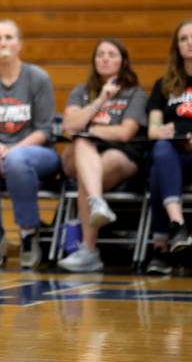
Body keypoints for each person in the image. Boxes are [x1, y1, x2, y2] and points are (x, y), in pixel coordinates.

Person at [0, 19, 61, 270]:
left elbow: (44, 130)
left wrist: (13, 150)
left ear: (19, 44)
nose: (3, 43)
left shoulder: (38, 78)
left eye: (9, 37)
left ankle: (29, 233)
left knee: (17, 161)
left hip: (37, 151)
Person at [57, 39, 147, 273]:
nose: (105, 58)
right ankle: (98, 204)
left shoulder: (135, 94)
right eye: (100, 55)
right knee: (82, 143)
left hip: (119, 156)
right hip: (78, 154)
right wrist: (100, 101)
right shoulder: (82, 91)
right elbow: (69, 125)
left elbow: (125, 132)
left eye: (111, 54)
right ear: (94, 61)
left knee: (89, 177)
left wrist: (91, 129)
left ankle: (90, 251)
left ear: (123, 61)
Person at [145, 19, 192, 274]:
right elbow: (153, 129)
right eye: (183, 38)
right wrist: (161, 130)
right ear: (177, 47)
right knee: (161, 151)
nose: (189, 43)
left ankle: (161, 247)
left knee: (157, 174)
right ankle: (177, 225)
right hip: (175, 156)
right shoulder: (163, 85)